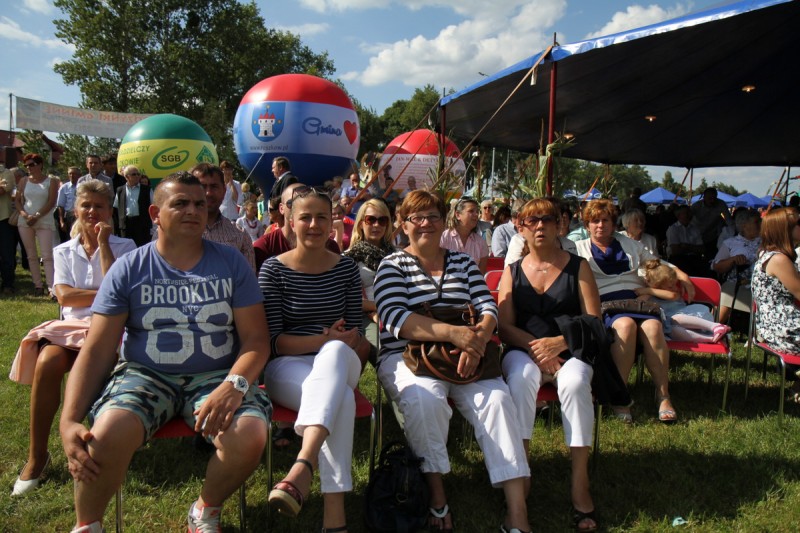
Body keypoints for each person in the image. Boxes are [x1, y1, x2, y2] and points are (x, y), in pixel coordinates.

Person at [58, 172, 270, 533]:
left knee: (249, 432)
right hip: (146, 373)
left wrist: (234, 385)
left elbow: (256, 340)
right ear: (155, 213)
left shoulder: (231, 262)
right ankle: (87, 525)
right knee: (105, 433)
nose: (193, 210)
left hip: (216, 375)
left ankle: (205, 509)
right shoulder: (129, 268)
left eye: (200, 203)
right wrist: (69, 420)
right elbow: (97, 349)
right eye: (181, 203)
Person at [374, 190, 531, 533]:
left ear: (443, 220)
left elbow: (487, 307)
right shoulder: (391, 265)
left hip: (468, 353)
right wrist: (454, 335)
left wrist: (476, 342)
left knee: (498, 401)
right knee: (423, 400)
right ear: (403, 224)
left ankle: (517, 513)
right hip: (407, 356)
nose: (425, 223)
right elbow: (396, 317)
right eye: (416, 217)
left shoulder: (461, 261)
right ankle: (436, 495)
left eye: (432, 216)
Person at [9, 179, 136, 497]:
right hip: (71, 330)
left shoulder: (126, 247)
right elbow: (64, 296)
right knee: (48, 360)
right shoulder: (63, 250)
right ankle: (37, 456)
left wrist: (104, 246)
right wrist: (103, 294)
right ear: (75, 209)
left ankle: (93, 445)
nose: (92, 212)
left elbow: (119, 299)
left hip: (110, 330)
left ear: (111, 210)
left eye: (100, 206)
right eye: (86, 205)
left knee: (102, 361)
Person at [260, 186, 367, 533]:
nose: (314, 224)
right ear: (290, 221)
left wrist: (336, 341)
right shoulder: (273, 271)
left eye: (322, 216)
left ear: (333, 221)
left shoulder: (347, 270)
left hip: (340, 360)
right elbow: (275, 343)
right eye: (305, 217)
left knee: (335, 353)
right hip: (287, 366)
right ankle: (334, 519)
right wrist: (323, 338)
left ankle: (303, 462)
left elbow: (352, 335)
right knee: (341, 402)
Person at [498, 198, 601, 533]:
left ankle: (579, 479)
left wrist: (559, 343)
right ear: (521, 228)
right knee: (521, 378)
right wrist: (537, 349)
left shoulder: (579, 266)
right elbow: (503, 326)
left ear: (561, 225)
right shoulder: (512, 271)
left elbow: (594, 321)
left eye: (547, 219)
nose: (539, 226)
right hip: (523, 350)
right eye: (531, 221)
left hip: (570, 349)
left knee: (573, 382)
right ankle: (521, 468)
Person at [574, 199, 692, 423]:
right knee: (625, 325)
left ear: (614, 222)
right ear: (587, 225)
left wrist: (682, 276)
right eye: (595, 221)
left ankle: (663, 395)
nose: (600, 225)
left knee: (653, 326)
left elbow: (658, 263)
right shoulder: (578, 248)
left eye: (605, 220)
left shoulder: (629, 244)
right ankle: (620, 395)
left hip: (637, 300)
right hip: (604, 303)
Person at [751, 207, 800, 399]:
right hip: (784, 328)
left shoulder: (769, 254)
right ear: (785, 229)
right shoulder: (779, 259)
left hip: (775, 325)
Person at [343, 199, 396, 354]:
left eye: (382, 220)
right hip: (364, 316)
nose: (376, 225)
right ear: (361, 223)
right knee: (384, 352)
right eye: (371, 220)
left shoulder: (397, 255)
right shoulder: (348, 258)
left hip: (396, 311)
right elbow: (348, 299)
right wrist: (377, 308)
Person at [253, 183, 340, 273]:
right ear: (281, 208)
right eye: (291, 202)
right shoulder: (263, 247)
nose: (300, 204)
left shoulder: (331, 247)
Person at [637, 260, 731, 342]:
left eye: (675, 284)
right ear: (656, 286)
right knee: (672, 331)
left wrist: (649, 290)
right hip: (678, 327)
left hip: (695, 320)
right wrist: (647, 293)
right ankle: (710, 338)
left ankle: (714, 326)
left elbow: (672, 295)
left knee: (676, 318)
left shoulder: (672, 294)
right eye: (671, 286)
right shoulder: (650, 295)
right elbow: (638, 301)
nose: (675, 288)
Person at [191, 163, 256, 272]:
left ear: (224, 191)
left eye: (214, 187)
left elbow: (248, 281)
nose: (208, 193)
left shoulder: (240, 235)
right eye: (202, 186)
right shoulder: (174, 234)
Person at [16, 153, 60, 297]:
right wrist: (25, 215)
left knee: (47, 255)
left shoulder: (51, 181)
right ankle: (37, 285)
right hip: (25, 221)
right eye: (26, 165)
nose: (29, 168)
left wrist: (36, 216)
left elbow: (52, 202)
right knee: (31, 255)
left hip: (44, 220)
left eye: (32, 164)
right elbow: (17, 201)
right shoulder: (23, 181)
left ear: (40, 165)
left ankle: (51, 288)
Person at [712, 209, 761, 324]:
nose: (760, 224)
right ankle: (712, 327)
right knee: (728, 290)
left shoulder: (767, 241)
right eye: (756, 222)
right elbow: (716, 266)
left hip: (760, 283)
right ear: (744, 226)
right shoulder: (730, 243)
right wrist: (732, 260)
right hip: (738, 283)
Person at [441, 197, 489, 273]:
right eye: (471, 211)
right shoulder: (444, 238)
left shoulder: (480, 243)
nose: (476, 214)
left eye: (477, 211)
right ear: (458, 215)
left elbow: (481, 275)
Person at [113, 165, 153, 247]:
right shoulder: (120, 190)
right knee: (126, 249)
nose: (137, 176)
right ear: (127, 176)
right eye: (134, 174)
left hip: (141, 225)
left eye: (138, 174)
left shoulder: (146, 189)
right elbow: (116, 208)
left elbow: (153, 206)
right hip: (126, 225)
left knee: (142, 248)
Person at [666, 205, 707, 276]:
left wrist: (685, 246)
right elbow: (675, 250)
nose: (689, 215)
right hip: (678, 259)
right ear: (678, 216)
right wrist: (693, 248)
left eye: (689, 212)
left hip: (695, 259)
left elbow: (702, 249)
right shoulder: (673, 229)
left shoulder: (695, 229)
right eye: (686, 213)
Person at [691, 187, 732, 260]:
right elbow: (687, 219)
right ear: (704, 197)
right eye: (709, 198)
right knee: (696, 258)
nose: (712, 200)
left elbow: (728, 220)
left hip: (712, 236)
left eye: (714, 198)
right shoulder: (696, 206)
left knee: (711, 257)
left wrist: (732, 230)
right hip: (696, 236)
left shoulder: (721, 204)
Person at [0, 165, 16, 293]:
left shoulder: (6, 173)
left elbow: (2, 190)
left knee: (6, 254)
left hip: (3, 219)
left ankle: (8, 284)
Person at [56, 167, 81, 243]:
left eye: (74, 173)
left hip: (80, 215)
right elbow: (61, 206)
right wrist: (62, 222)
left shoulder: (83, 187)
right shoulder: (64, 188)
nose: (72, 175)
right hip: (69, 217)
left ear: (79, 175)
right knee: (69, 239)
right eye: (70, 173)